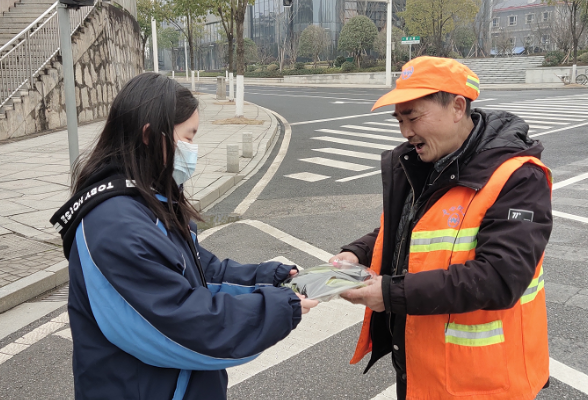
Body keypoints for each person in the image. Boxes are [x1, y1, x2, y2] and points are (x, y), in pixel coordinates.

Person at [50, 72, 318, 400]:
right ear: (150, 136)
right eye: (188, 137)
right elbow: (182, 324)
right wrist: (278, 307)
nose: (193, 149)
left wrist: (271, 279)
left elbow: (202, 274)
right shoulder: (117, 227)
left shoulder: (149, 200)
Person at [332, 56, 552, 400]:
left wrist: (390, 293)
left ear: (458, 107)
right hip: (424, 373)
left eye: (413, 117)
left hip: (488, 383)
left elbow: (500, 277)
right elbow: (403, 228)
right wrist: (355, 252)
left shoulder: (518, 177)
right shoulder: (420, 161)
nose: (406, 132)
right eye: (399, 120)